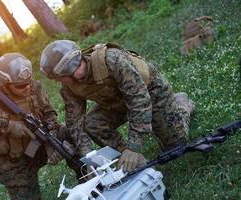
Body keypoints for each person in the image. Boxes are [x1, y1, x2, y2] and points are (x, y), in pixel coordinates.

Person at [39, 40, 196, 173]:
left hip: (150, 92)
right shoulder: (69, 88)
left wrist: (134, 147)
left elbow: (139, 100)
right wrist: (89, 161)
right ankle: (125, 158)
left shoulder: (112, 60)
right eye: (66, 72)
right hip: (117, 103)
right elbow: (76, 125)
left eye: (77, 62)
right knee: (92, 124)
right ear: (59, 78)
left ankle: (181, 105)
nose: (76, 70)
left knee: (176, 147)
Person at [0, 53, 86, 200]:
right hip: (14, 162)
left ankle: (85, 175)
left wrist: (51, 138)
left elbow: (49, 112)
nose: (27, 87)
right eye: (20, 86)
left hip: (39, 145)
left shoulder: (33, 86)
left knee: (68, 132)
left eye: (28, 82)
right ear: (4, 82)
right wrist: (9, 126)